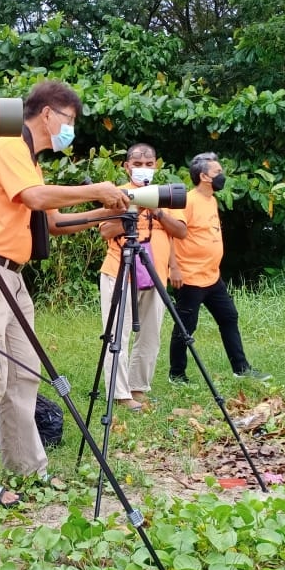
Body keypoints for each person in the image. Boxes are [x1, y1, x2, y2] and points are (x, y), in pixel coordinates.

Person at [0, 80, 132, 509]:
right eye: (70, 121)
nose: (71, 131)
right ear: (48, 114)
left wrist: (109, 211)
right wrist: (95, 189)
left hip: (11, 275)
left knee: (24, 373)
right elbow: (33, 197)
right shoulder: (10, 145)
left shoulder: (30, 160)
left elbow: (54, 222)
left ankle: (26, 468)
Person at [97, 143, 186, 410]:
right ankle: (120, 393)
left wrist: (156, 209)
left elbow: (179, 232)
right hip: (119, 271)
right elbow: (105, 231)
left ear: (156, 165)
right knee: (117, 335)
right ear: (127, 166)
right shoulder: (117, 194)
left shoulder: (167, 195)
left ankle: (138, 388)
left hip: (155, 274)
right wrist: (133, 209)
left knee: (150, 336)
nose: (143, 169)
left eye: (149, 164)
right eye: (137, 164)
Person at [167, 152, 269, 383]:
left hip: (212, 277)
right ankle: (177, 374)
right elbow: (172, 234)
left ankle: (241, 368)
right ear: (204, 176)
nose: (222, 176)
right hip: (190, 277)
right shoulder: (187, 200)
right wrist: (174, 267)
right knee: (185, 328)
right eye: (218, 173)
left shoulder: (211, 199)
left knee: (229, 317)